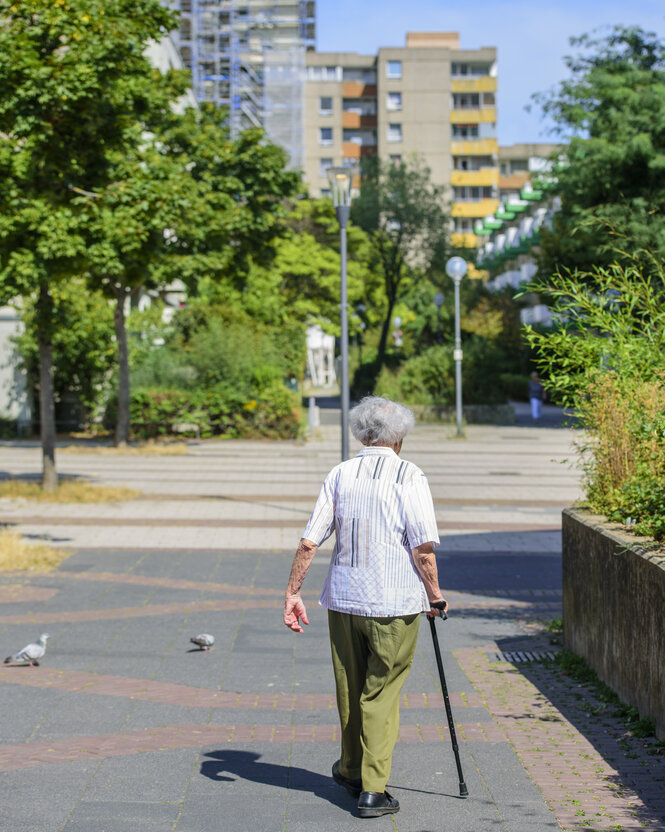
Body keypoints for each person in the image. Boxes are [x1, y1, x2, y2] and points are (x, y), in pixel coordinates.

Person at [283, 396, 447, 818]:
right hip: (393, 604)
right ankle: (373, 790)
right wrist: (435, 595)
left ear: (361, 433)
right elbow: (423, 548)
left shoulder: (340, 473)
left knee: (349, 687)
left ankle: (351, 769)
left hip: (343, 601)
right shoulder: (409, 475)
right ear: (399, 436)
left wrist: (292, 593)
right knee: (381, 692)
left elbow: (309, 541)